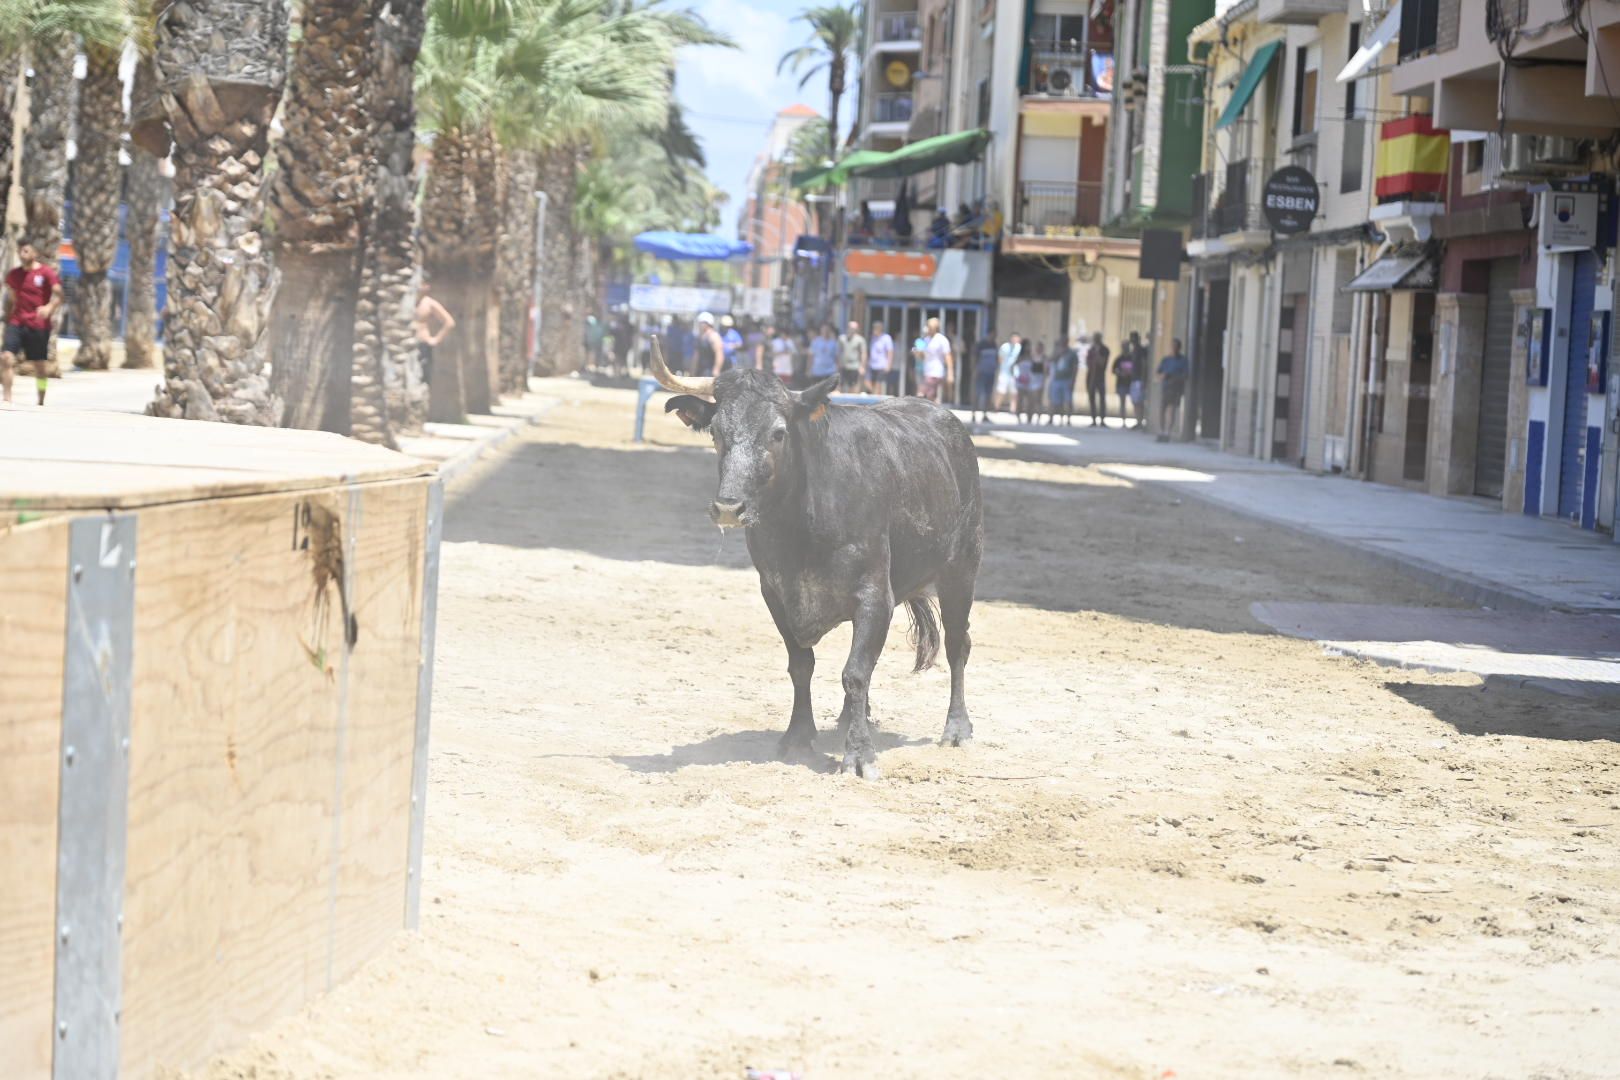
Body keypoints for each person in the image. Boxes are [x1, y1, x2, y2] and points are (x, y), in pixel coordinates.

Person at [411, 280, 454, 397]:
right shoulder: (408, 300)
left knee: (423, 377)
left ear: (427, 286)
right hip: (407, 345)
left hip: (423, 343)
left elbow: (449, 322)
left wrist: (435, 339)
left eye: (423, 284)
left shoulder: (429, 303)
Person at [1157, 338, 1190, 441]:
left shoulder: (1183, 360)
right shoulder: (1166, 359)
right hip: (1166, 387)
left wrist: (1175, 377)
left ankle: (1168, 432)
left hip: (1176, 388)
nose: (1174, 348)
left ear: (1179, 348)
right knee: (1162, 409)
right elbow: (1158, 372)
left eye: (1176, 346)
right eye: (1172, 346)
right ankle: (1161, 431)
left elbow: (1186, 375)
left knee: (1171, 410)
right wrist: (1163, 376)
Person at [919, 317, 952, 401]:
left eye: (929, 327)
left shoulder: (942, 340)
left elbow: (948, 356)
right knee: (931, 396)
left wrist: (950, 373)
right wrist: (918, 352)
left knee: (922, 393)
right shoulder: (926, 340)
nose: (927, 329)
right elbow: (922, 356)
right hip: (927, 371)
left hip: (936, 372)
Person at [1049, 336, 1079, 425]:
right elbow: (1050, 360)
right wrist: (1058, 353)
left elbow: (1075, 368)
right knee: (1057, 401)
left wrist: (1073, 380)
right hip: (1057, 379)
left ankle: (1068, 419)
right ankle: (1056, 418)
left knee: (1068, 400)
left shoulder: (1072, 353)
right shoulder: (1057, 352)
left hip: (1067, 379)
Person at [972, 333, 1000, 423]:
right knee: (978, 393)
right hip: (981, 372)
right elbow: (975, 357)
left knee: (988, 394)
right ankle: (974, 414)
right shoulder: (981, 345)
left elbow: (997, 358)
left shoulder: (994, 345)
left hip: (990, 373)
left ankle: (985, 414)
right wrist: (975, 370)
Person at [1084, 331, 1110, 426]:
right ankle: (1093, 419)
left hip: (1100, 377)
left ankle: (1102, 420)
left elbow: (1102, 363)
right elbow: (1088, 362)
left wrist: (1097, 353)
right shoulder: (1091, 349)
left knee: (1102, 399)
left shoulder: (1105, 350)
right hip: (1091, 376)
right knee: (1091, 397)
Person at [1113, 333, 1139, 427]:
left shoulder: (1132, 358)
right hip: (1121, 383)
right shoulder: (1119, 359)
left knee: (1135, 402)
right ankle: (1123, 421)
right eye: (1123, 346)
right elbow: (1114, 370)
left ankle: (1137, 420)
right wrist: (1120, 373)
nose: (1125, 348)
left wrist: (1131, 373)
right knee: (1122, 402)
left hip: (1131, 383)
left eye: (1126, 346)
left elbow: (1137, 368)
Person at [995, 332, 1022, 414]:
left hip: (1014, 373)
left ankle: (1013, 409)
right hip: (1004, 372)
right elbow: (1000, 359)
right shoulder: (1005, 347)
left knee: (1014, 392)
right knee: (1001, 391)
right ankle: (996, 407)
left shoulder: (1019, 348)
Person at [868, 319, 895, 395]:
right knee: (872, 383)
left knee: (878, 383)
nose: (874, 330)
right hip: (873, 365)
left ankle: (877, 400)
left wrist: (889, 365)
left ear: (880, 329)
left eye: (876, 328)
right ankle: (874, 397)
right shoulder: (873, 338)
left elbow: (890, 352)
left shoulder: (886, 338)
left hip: (882, 365)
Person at [838, 319, 867, 391]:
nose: (852, 329)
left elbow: (863, 353)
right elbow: (839, 352)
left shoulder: (860, 339)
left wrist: (862, 366)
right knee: (840, 386)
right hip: (843, 366)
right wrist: (838, 364)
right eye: (850, 327)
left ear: (857, 329)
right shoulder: (842, 338)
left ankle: (853, 402)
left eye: (854, 328)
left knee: (853, 387)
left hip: (855, 366)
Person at [695, 311, 726, 376]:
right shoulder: (700, 337)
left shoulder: (714, 336)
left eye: (701, 323)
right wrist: (693, 369)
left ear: (707, 323)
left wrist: (716, 370)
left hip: (709, 371)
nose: (699, 325)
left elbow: (719, 354)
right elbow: (696, 355)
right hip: (701, 370)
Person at [1012, 345, 1035, 423]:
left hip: (1029, 382)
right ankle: (1018, 417)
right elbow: (1012, 367)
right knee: (1020, 401)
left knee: (1030, 401)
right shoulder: (1020, 358)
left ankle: (1029, 418)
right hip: (1021, 382)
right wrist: (1015, 377)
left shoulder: (1031, 358)